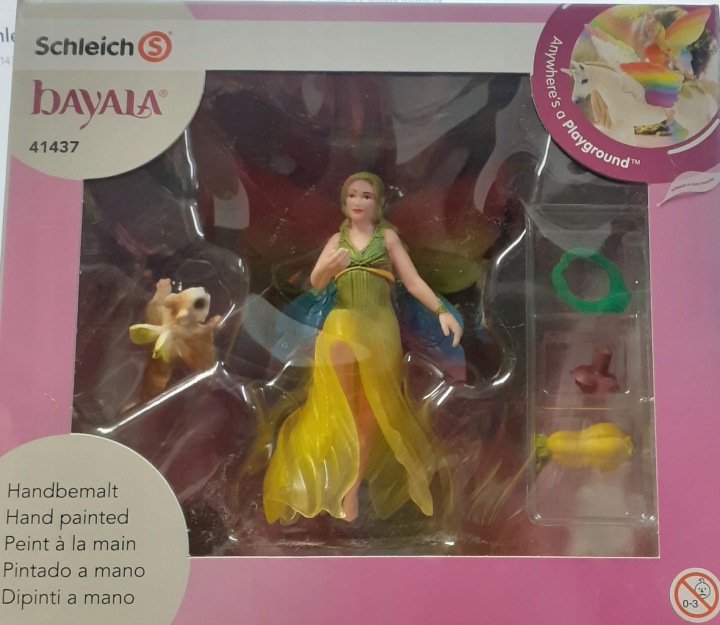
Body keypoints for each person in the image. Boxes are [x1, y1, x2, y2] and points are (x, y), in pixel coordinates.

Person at [263, 172, 462, 523]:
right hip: (343, 321)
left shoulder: (387, 238)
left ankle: (350, 488)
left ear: (378, 202)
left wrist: (442, 311)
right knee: (337, 401)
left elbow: (413, 281)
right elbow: (316, 282)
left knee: (369, 412)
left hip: (380, 328)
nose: (358, 201)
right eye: (352, 195)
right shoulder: (336, 240)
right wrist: (329, 266)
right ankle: (326, 474)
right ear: (344, 201)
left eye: (366, 196)